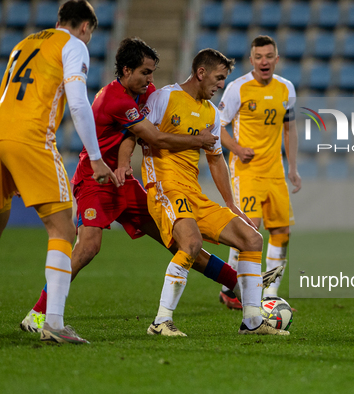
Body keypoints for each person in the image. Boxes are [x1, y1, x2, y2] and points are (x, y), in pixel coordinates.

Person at [19, 37, 282, 337]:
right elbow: (153, 138)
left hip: (124, 182)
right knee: (88, 247)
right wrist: (197, 141)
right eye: (145, 72)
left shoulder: (149, 94)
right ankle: (38, 313)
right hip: (96, 179)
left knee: (180, 241)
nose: (150, 80)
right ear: (126, 71)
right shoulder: (113, 98)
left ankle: (237, 283)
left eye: (153, 73)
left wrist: (124, 165)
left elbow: (139, 135)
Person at [120, 48, 289, 335]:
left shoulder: (211, 113)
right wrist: (124, 163)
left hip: (193, 194)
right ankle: (161, 321)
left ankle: (252, 322)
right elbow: (135, 132)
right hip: (165, 188)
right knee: (191, 244)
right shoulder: (165, 97)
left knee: (251, 238)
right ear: (201, 73)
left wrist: (230, 204)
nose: (221, 84)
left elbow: (215, 158)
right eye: (219, 77)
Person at [0, 0, 118, 344]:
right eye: (90, 34)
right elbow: (78, 102)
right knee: (64, 229)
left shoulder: (23, 44)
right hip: (31, 138)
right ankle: (53, 322)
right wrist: (95, 157)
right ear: (85, 27)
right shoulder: (74, 45)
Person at [217, 35, 301, 309]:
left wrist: (293, 168)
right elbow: (217, 127)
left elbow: (290, 129)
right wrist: (237, 148)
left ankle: (270, 294)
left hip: (275, 171)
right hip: (247, 171)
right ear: (251, 60)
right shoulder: (237, 88)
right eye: (259, 57)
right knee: (250, 230)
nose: (264, 61)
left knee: (282, 231)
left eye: (269, 56)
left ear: (277, 59)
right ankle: (231, 287)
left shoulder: (286, 89)